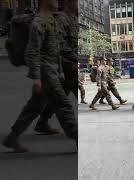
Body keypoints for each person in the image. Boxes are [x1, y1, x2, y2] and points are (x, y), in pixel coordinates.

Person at [3, 0, 77, 153]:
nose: (57, 2)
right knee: (63, 105)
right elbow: (32, 52)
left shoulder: (51, 20)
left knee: (35, 106)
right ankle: (78, 139)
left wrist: (61, 71)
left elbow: (56, 50)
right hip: (45, 71)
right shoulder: (39, 22)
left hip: (52, 70)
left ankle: (12, 137)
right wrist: (36, 78)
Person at [33, 0, 79, 135]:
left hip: (70, 65)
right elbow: (60, 46)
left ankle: (42, 122)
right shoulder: (62, 19)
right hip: (67, 65)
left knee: (60, 96)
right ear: (69, 3)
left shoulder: (74, 18)